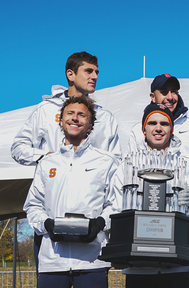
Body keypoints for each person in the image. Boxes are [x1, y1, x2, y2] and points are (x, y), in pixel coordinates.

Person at [11, 51, 121, 274]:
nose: (95, 76)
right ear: (70, 74)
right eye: (88, 71)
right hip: (54, 212)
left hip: (92, 217)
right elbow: (18, 148)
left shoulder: (105, 117)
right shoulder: (46, 111)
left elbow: (117, 162)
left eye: (97, 72)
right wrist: (47, 159)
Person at [24, 95, 119, 288]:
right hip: (52, 261)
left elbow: (116, 204)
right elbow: (32, 205)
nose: (75, 118)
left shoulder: (106, 161)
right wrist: (46, 225)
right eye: (70, 114)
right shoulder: (47, 163)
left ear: (90, 124)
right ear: (61, 120)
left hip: (92, 261)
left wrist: (100, 223)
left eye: (82, 115)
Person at [120, 103, 189, 288]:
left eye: (164, 124)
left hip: (176, 264)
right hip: (139, 264)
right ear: (143, 129)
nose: (158, 128)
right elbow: (113, 205)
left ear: (172, 129)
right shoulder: (127, 164)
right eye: (152, 123)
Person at [129, 73, 189, 159]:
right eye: (164, 92)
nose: (170, 97)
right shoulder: (138, 131)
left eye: (174, 92)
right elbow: (131, 166)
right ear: (153, 97)